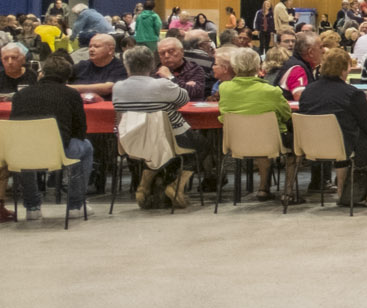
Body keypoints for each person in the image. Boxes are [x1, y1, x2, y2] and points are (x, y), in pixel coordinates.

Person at [111, 46, 202, 209]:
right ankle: (176, 187)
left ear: (126, 66)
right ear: (152, 65)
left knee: (155, 150)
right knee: (202, 147)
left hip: (130, 142)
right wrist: (172, 79)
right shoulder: (161, 85)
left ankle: (144, 185)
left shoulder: (118, 87)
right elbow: (184, 99)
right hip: (165, 140)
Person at [7, 54, 93, 221]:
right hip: (58, 152)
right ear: (67, 76)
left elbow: (14, 126)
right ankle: (76, 205)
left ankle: (32, 207)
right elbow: (80, 131)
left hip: (24, 153)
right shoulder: (71, 94)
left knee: (24, 148)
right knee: (87, 147)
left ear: (43, 72)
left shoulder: (20, 95)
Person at [296, 48, 367, 207]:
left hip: (310, 146)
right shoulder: (352, 93)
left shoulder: (307, 91)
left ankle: (341, 190)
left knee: (342, 136)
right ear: (344, 70)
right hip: (343, 147)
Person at [217, 48, 292, 202]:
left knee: (259, 143)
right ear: (259, 67)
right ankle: (288, 191)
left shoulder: (224, 89)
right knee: (296, 148)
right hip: (271, 141)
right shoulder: (271, 91)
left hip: (238, 141)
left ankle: (263, 188)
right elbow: (287, 115)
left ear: (235, 67)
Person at [71, 32, 128, 97]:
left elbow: (108, 88)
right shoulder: (81, 66)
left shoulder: (120, 67)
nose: (91, 50)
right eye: (90, 46)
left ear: (110, 50)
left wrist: (69, 88)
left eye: (96, 46)